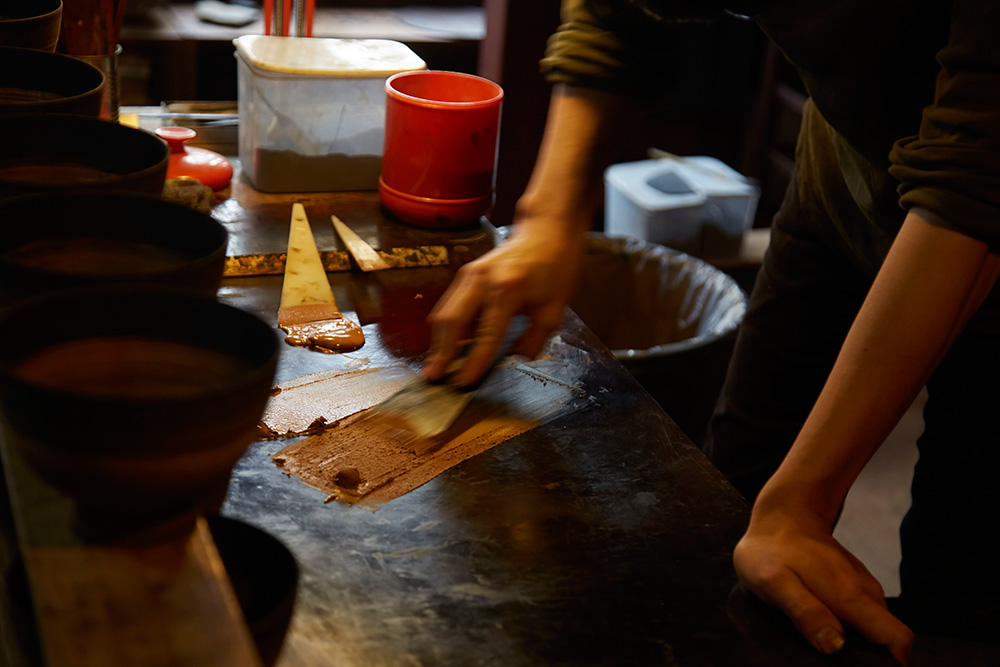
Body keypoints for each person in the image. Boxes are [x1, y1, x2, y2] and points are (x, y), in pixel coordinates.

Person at [421, 1, 1000, 664]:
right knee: (724, 520)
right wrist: (548, 217)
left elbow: (976, 178)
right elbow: (617, 13)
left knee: (962, 599)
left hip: (975, 213)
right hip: (843, 176)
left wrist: (805, 499)